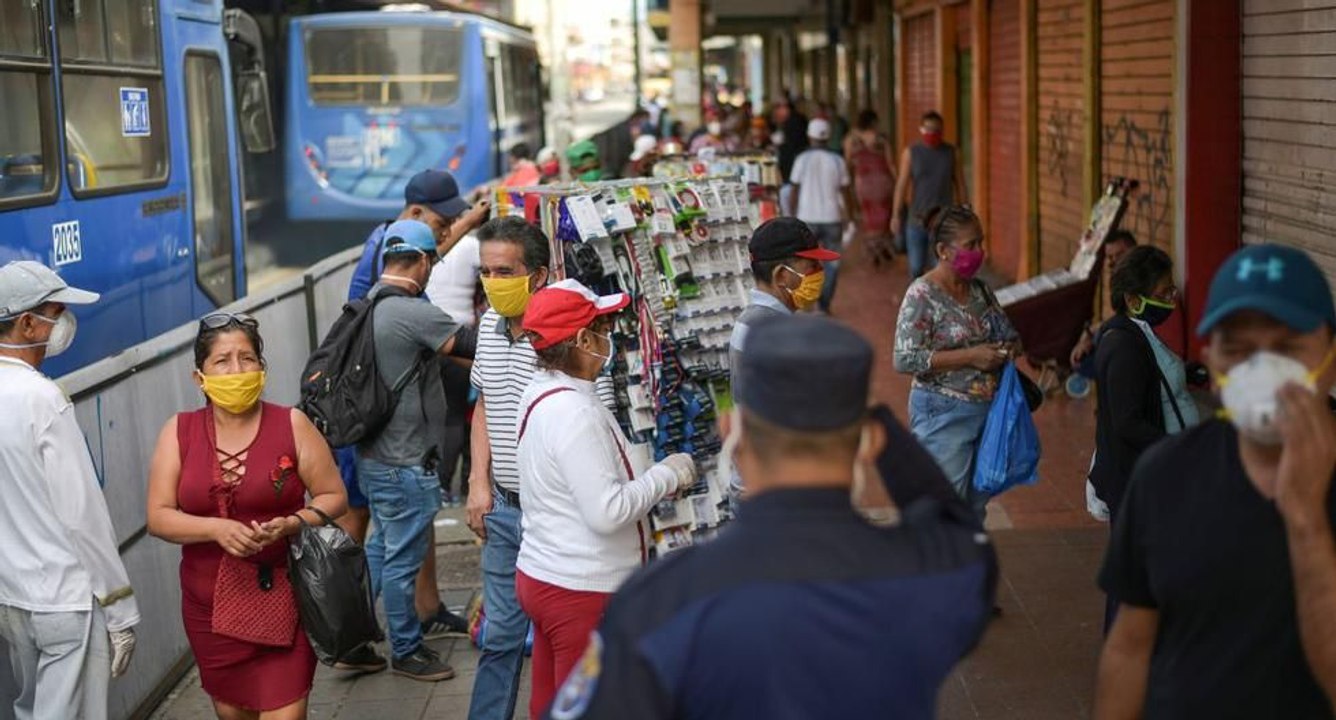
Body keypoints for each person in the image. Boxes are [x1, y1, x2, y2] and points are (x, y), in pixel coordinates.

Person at [544, 314, 997, 720]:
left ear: (732, 435)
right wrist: (872, 418)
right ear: (870, 443)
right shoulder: (936, 573)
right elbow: (953, 524)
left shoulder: (662, 600)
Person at [1096, 244, 1336, 719]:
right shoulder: (1165, 474)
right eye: (1238, 348)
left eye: (1287, 347)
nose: (1263, 370)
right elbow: (1129, 649)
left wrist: (1307, 521)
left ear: (1328, 353)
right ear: (1213, 362)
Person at [146, 312, 347, 719]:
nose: (236, 369)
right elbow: (159, 516)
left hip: (284, 597)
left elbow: (333, 495)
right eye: (222, 361)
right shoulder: (179, 432)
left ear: (262, 367)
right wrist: (215, 529)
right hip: (210, 611)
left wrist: (294, 522)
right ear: (198, 376)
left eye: (247, 358)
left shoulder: (292, 424)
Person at [515, 279, 697, 719]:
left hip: (545, 571)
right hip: (580, 587)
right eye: (603, 330)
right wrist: (665, 477)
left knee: (551, 702)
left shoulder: (541, 392)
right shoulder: (573, 413)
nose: (608, 339)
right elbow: (607, 510)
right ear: (580, 340)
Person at [0, 261, 140, 720]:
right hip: (65, 600)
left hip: (12, 599)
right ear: (25, 324)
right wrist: (120, 608)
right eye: (55, 313)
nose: (63, 325)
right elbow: (84, 516)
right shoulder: (43, 400)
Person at [353, 219, 473, 681]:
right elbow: (472, 346)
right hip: (405, 463)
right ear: (423, 261)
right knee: (402, 563)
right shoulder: (410, 312)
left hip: (375, 458)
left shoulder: (368, 304)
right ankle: (406, 650)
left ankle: (356, 635)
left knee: (381, 550)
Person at [1089, 245, 1198, 629]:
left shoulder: (1138, 334)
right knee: (1135, 580)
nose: (1172, 299)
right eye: (1165, 291)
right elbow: (1127, 422)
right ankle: (1127, 660)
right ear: (1134, 299)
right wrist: (1178, 449)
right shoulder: (1123, 344)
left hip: (1150, 473)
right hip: (1137, 479)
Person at [893, 205, 1020, 521]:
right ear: (942, 251)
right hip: (942, 412)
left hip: (986, 412)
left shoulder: (980, 290)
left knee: (974, 506)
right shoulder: (922, 294)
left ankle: (965, 563)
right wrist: (971, 356)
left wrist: (1007, 347)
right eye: (971, 245)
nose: (980, 252)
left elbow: (1009, 333)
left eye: (981, 242)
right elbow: (904, 358)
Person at [892, 111, 969, 278]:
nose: (932, 133)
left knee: (941, 269)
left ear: (942, 131)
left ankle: (937, 301)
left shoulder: (951, 153)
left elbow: (960, 185)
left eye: (936, 130)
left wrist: (966, 212)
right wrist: (896, 215)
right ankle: (918, 301)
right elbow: (901, 186)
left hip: (942, 223)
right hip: (916, 220)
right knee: (916, 267)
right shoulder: (911, 153)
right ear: (921, 129)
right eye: (928, 129)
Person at [789, 118, 853, 313]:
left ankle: (805, 301)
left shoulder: (802, 159)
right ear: (828, 137)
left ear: (810, 136)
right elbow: (846, 191)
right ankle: (823, 305)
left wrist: (792, 216)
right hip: (832, 218)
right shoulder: (837, 160)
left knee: (803, 262)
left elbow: (794, 190)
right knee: (832, 263)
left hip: (806, 219)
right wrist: (849, 216)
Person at [1069, 229, 1139, 370]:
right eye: (1110, 257)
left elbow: (1127, 321)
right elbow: (1114, 317)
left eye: (1119, 255)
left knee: (1085, 362)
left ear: (1134, 252)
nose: (1113, 262)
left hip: (1131, 350)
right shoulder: (1120, 281)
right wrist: (1087, 334)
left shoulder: (1139, 282)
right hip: (1119, 341)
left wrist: (1091, 336)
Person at [843, 109, 897, 248]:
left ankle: (872, 247)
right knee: (884, 213)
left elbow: (847, 164)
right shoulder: (881, 139)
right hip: (883, 181)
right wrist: (898, 181)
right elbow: (891, 163)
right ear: (873, 122)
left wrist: (847, 184)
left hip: (863, 182)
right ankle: (883, 245)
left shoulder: (851, 140)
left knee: (867, 214)